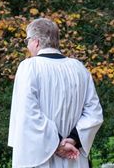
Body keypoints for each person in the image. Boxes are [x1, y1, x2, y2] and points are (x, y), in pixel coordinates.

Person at [8, 18, 103, 168]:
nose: (28, 46)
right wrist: (72, 140)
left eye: (27, 41)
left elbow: (28, 112)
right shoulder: (79, 69)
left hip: (39, 159)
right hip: (73, 157)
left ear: (36, 41)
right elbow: (94, 112)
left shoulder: (29, 67)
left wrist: (59, 143)